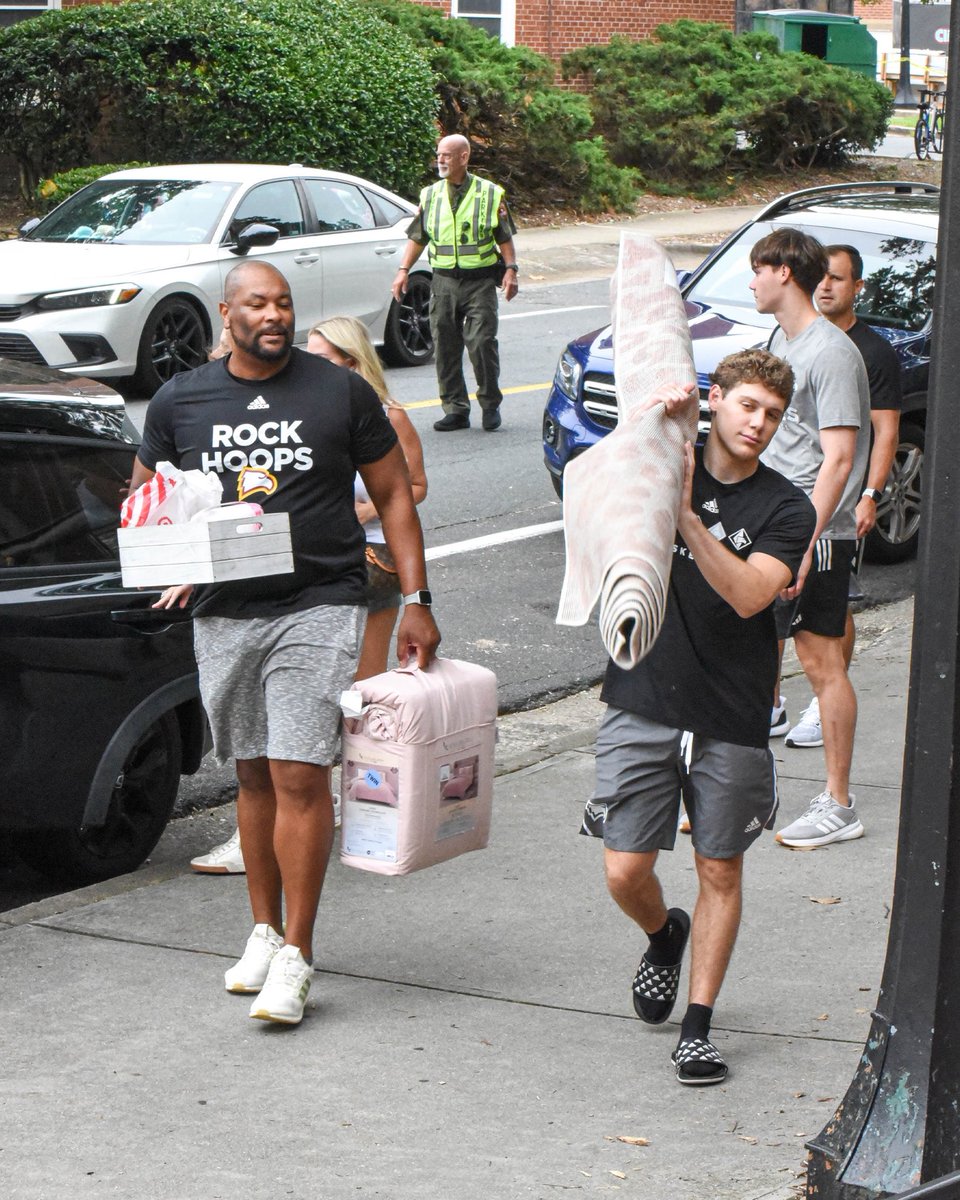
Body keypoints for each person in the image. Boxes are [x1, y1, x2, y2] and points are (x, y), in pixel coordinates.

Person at [132, 261, 440, 1025]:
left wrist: (417, 598)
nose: (273, 314)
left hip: (320, 601)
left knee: (299, 771)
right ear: (227, 313)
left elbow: (396, 491)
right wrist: (169, 559)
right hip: (226, 611)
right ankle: (263, 932)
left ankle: (298, 955)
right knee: (253, 777)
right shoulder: (182, 399)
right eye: (258, 303)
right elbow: (146, 493)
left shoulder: (337, 390)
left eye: (284, 304)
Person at [582, 350, 815, 1086]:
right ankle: (662, 933)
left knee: (720, 866)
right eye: (748, 405)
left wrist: (685, 519)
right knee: (624, 869)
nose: (759, 423)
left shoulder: (787, 506)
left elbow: (751, 595)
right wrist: (653, 411)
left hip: (732, 708)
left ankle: (699, 1027)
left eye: (773, 414)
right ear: (717, 400)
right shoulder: (664, 458)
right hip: (642, 689)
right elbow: (595, 476)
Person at [190, 315, 429, 875]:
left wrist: (357, 515)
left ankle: (355, 808)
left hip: (365, 564)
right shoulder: (281, 405)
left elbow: (410, 488)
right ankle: (276, 825)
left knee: (355, 698)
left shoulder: (380, 412)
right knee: (271, 738)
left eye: (323, 355)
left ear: (351, 363)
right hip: (281, 572)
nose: (308, 361)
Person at [748, 228, 871, 849]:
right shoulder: (781, 340)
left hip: (815, 532)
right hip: (777, 521)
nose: (752, 281)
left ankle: (840, 804)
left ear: (785, 274)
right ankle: (744, 791)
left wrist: (802, 541)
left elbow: (840, 459)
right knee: (750, 652)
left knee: (821, 662)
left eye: (758, 270)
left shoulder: (831, 352)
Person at [783, 245, 903, 749]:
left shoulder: (867, 352)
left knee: (828, 620)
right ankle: (768, 708)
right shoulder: (793, 336)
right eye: (822, 277)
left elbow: (885, 432)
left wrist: (870, 495)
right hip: (787, 508)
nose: (827, 286)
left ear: (858, 288)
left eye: (839, 279)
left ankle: (821, 706)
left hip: (833, 512)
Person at [391, 133, 518, 433]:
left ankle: (490, 404)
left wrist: (511, 269)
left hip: (480, 283)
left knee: (481, 343)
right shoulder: (430, 195)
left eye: (447, 155)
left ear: (464, 157)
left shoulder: (490, 194)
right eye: (439, 154)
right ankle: (455, 409)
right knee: (445, 347)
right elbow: (418, 237)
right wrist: (403, 270)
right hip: (444, 282)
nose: (441, 160)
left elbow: (504, 237)